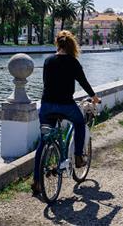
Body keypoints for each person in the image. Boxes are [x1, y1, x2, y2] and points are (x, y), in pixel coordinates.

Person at [32, 30, 100, 194]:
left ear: (58, 44)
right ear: (71, 45)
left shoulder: (48, 61)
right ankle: (77, 157)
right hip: (66, 105)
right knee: (79, 123)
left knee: (44, 140)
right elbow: (83, 82)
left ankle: (36, 182)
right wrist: (94, 97)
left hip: (47, 105)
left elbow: (46, 83)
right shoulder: (73, 62)